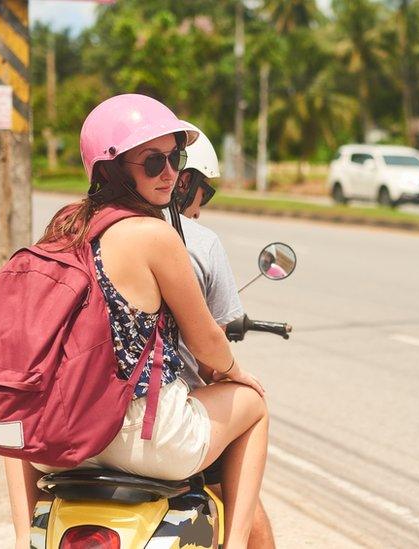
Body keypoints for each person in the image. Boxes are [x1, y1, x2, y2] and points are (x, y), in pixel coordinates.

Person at [3, 94, 268, 549]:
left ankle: (25, 535)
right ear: (111, 170)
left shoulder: (63, 229)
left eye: (175, 158)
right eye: (152, 162)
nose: (170, 174)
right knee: (254, 404)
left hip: (59, 442)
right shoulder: (155, 235)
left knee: (24, 409)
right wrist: (238, 375)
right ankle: (238, 542)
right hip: (145, 439)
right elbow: (207, 343)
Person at [165, 122, 276, 548]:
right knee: (253, 402)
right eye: (203, 192)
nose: (201, 206)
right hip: (163, 421)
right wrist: (233, 372)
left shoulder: (76, 235)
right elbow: (212, 354)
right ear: (183, 181)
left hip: (77, 420)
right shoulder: (193, 240)